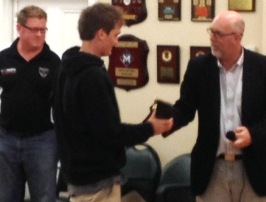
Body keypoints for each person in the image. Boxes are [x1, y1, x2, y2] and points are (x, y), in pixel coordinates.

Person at [53, 3, 173, 202]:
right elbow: (109, 133)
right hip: (97, 181)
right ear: (101, 33)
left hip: (77, 177)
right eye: (115, 35)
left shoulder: (65, 68)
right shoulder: (92, 75)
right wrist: (150, 128)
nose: (117, 42)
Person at [165, 10, 266, 201]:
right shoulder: (198, 67)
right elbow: (185, 108)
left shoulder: (261, 67)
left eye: (218, 34)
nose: (212, 38)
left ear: (237, 37)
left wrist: (254, 134)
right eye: (211, 32)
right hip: (212, 169)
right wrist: (167, 121)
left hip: (253, 168)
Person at [0, 5, 60, 202]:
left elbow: (60, 103)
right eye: (34, 29)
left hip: (42, 141)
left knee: (44, 197)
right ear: (20, 28)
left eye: (43, 29)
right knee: (6, 196)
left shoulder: (53, 62)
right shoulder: (4, 58)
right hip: (6, 139)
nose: (40, 34)